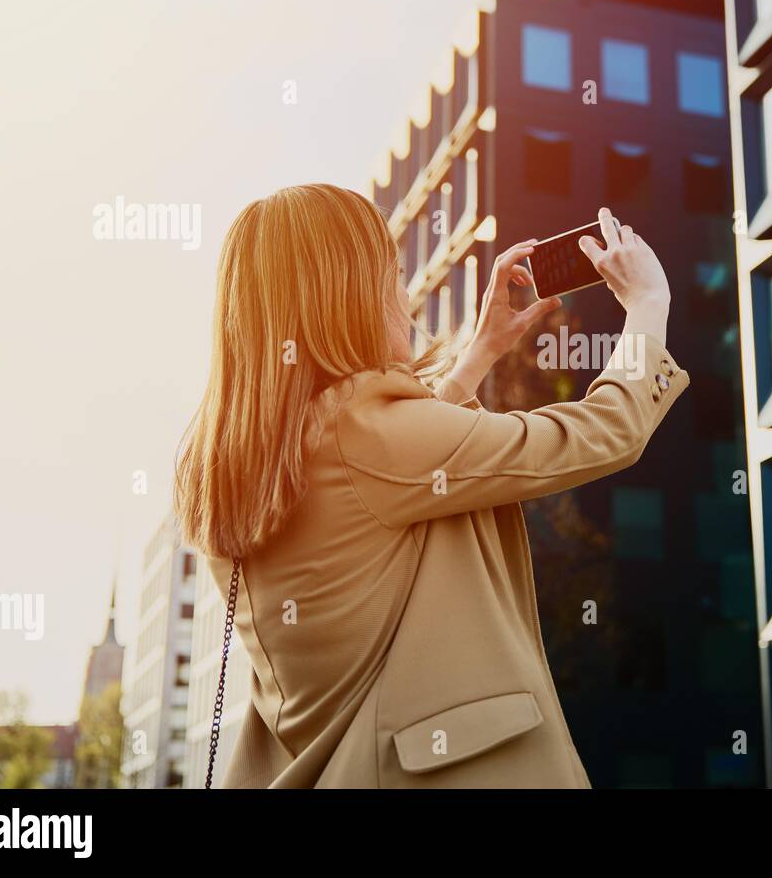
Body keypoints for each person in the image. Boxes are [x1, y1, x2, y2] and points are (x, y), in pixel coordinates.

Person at [174, 184, 687, 787]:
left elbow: (392, 486)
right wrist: (648, 304)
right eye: (390, 273)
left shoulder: (249, 458)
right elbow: (606, 433)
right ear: (345, 293)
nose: (403, 292)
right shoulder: (364, 436)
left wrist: (482, 351)